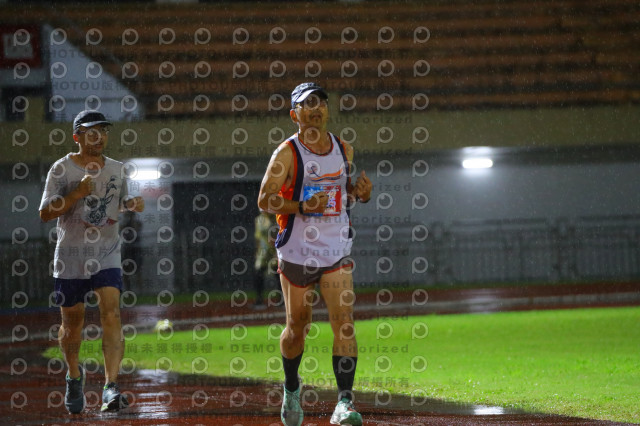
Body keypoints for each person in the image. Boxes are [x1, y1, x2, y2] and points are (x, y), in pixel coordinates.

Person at [257, 83, 372, 426]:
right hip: (297, 253)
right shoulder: (287, 153)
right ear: (295, 115)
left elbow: (343, 194)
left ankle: (344, 403)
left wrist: (359, 193)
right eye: (307, 104)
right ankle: (292, 387)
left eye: (320, 102)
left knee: (344, 324)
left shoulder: (343, 148)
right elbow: (265, 200)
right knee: (297, 328)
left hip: (336, 252)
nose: (316, 108)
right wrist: (302, 206)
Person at [39, 110, 145, 414]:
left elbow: (118, 203)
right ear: (77, 136)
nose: (99, 137)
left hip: (106, 252)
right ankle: (74, 375)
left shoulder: (117, 169)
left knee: (111, 312)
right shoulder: (61, 169)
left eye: (104, 131)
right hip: (71, 256)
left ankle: (111, 386)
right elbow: (45, 213)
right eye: (92, 132)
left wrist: (130, 204)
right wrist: (76, 194)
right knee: (72, 325)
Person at [253, 210, 277, 309]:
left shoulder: (277, 218)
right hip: (263, 252)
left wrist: (278, 252)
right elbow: (258, 237)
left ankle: (282, 300)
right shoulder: (259, 220)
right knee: (258, 273)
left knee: (278, 274)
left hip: (276, 251)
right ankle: (259, 300)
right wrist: (257, 251)